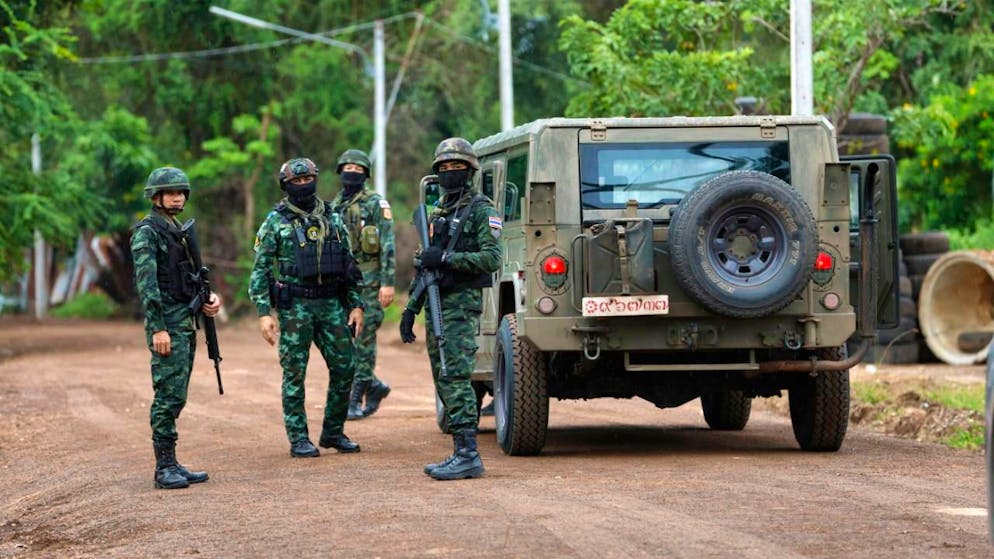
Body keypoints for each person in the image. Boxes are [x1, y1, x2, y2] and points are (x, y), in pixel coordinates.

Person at [248, 157, 365, 458]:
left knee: (346, 366)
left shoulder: (332, 216)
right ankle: (299, 438)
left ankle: (333, 432)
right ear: (286, 186)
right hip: (295, 307)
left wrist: (355, 305)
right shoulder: (276, 220)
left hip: (330, 305)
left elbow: (349, 266)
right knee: (295, 373)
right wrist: (264, 313)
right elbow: (260, 270)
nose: (303, 185)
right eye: (296, 182)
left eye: (307, 179)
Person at [400, 138, 502, 481]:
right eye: (443, 169)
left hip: (460, 305)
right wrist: (410, 308)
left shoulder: (481, 210)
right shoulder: (440, 211)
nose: (449, 173)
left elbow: (492, 258)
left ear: (469, 171)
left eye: (456, 168)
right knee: (443, 377)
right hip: (436, 302)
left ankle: (468, 454)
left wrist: (446, 258)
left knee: (456, 377)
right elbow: (424, 267)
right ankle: (461, 450)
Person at [131, 166, 222, 489]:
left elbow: (190, 278)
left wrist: (208, 300)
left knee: (178, 393)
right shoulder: (148, 233)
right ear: (155, 196)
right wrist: (158, 328)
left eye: (181, 192)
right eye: (171, 192)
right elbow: (148, 286)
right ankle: (163, 466)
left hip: (184, 318)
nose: (177, 197)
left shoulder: (177, 229)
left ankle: (172, 462)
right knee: (168, 394)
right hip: (167, 321)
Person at [330, 149, 396, 420]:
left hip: (369, 284)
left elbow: (388, 244)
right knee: (345, 341)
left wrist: (388, 283)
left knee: (364, 341)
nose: (352, 174)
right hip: (343, 286)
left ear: (366, 175)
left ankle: (355, 399)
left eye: (358, 171)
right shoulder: (334, 206)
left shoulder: (376, 204)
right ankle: (374, 385)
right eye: (348, 169)